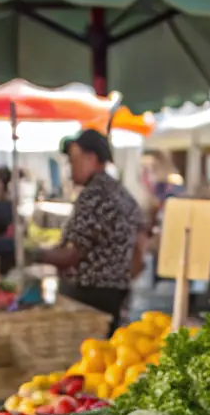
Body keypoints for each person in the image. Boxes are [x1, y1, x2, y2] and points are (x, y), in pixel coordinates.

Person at [28, 130, 143, 332]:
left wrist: (33, 255)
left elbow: (72, 255)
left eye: (73, 160)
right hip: (115, 294)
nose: (69, 168)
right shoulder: (122, 193)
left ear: (91, 158)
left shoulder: (94, 195)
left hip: (88, 298)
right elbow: (139, 248)